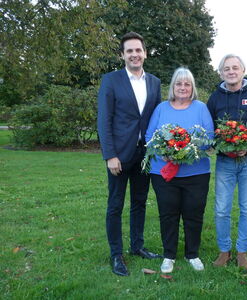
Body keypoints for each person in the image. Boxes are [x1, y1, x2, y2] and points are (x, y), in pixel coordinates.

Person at [97, 32, 162, 277]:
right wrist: (110, 154)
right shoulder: (111, 80)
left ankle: (137, 246)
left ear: (145, 53)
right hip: (119, 155)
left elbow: (156, 118)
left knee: (139, 202)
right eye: (129, 51)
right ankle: (116, 254)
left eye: (138, 50)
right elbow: (104, 120)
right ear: (122, 55)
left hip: (144, 155)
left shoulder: (154, 82)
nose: (135, 54)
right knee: (115, 205)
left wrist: (157, 148)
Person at [145, 67, 214, 273]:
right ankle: (169, 255)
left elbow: (209, 138)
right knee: (168, 214)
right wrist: (163, 152)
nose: (182, 87)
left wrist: (188, 150)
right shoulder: (161, 109)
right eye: (178, 83)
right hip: (163, 172)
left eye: (187, 84)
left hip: (196, 173)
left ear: (192, 87)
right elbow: (149, 136)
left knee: (194, 213)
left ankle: (192, 254)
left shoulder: (201, 108)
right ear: (172, 87)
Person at [207, 54, 247, 271]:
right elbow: (209, 128)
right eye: (226, 68)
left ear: (243, 70)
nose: (231, 71)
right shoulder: (215, 98)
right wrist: (219, 145)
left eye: (235, 67)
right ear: (221, 73)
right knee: (222, 209)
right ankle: (224, 251)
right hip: (225, 162)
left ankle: (242, 251)